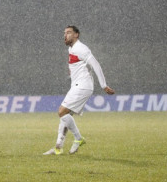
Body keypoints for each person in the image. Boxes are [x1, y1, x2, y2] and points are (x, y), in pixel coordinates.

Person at [43, 26, 115, 155]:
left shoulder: (81, 48)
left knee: (62, 112)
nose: (65, 35)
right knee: (66, 116)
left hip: (83, 86)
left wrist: (103, 85)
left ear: (77, 35)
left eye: (69, 33)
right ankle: (58, 148)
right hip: (77, 85)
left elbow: (96, 64)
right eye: (64, 33)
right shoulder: (71, 49)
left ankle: (78, 138)